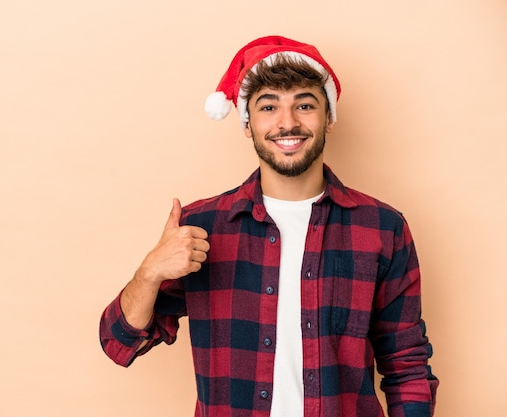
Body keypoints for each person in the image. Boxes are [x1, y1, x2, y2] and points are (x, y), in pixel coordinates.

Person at [99, 35, 438, 417]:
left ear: (328, 117)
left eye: (305, 105)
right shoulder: (202, 228)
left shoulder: (381, 227)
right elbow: (119, 343)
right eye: (268, 106)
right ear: (248, 123)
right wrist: (149, 272)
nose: (287, 122)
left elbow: (406, 363)